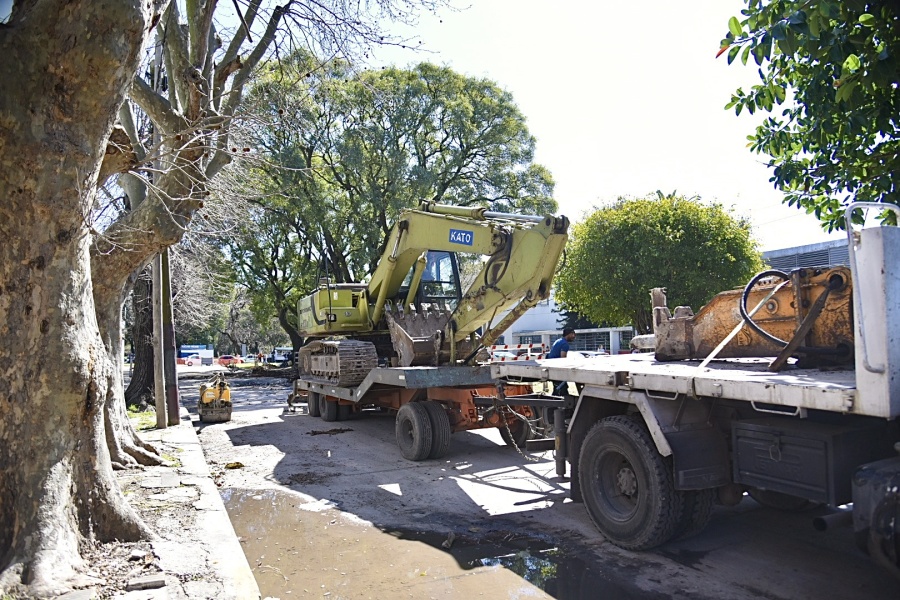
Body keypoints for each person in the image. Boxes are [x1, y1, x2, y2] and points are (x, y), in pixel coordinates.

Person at [547, 328, 576, 395]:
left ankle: (554, 401)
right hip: (557, 369)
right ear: (568, 334)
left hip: (551, 367)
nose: (574, 336)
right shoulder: (564, 344)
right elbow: (562, 358)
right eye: (572, 334)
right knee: (561, 388)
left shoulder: (558, 341)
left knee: (557, 387)